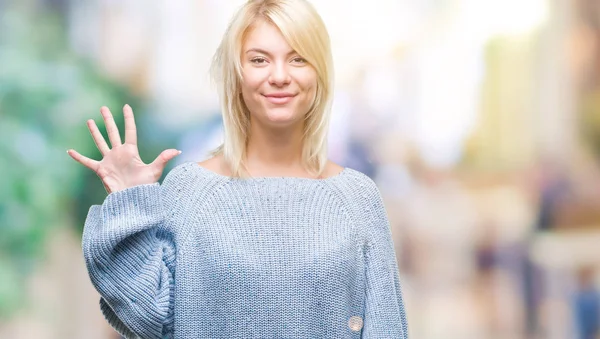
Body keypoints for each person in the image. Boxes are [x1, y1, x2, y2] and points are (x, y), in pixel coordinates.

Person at [67, 0, 409, 338]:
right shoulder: (191, 190)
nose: (279, 76)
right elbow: (148, 319)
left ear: (319, 72)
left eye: (298, 59)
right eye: (259, 60)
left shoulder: (357, 197)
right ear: (236, 74)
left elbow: (386, 327)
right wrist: (129, 202)